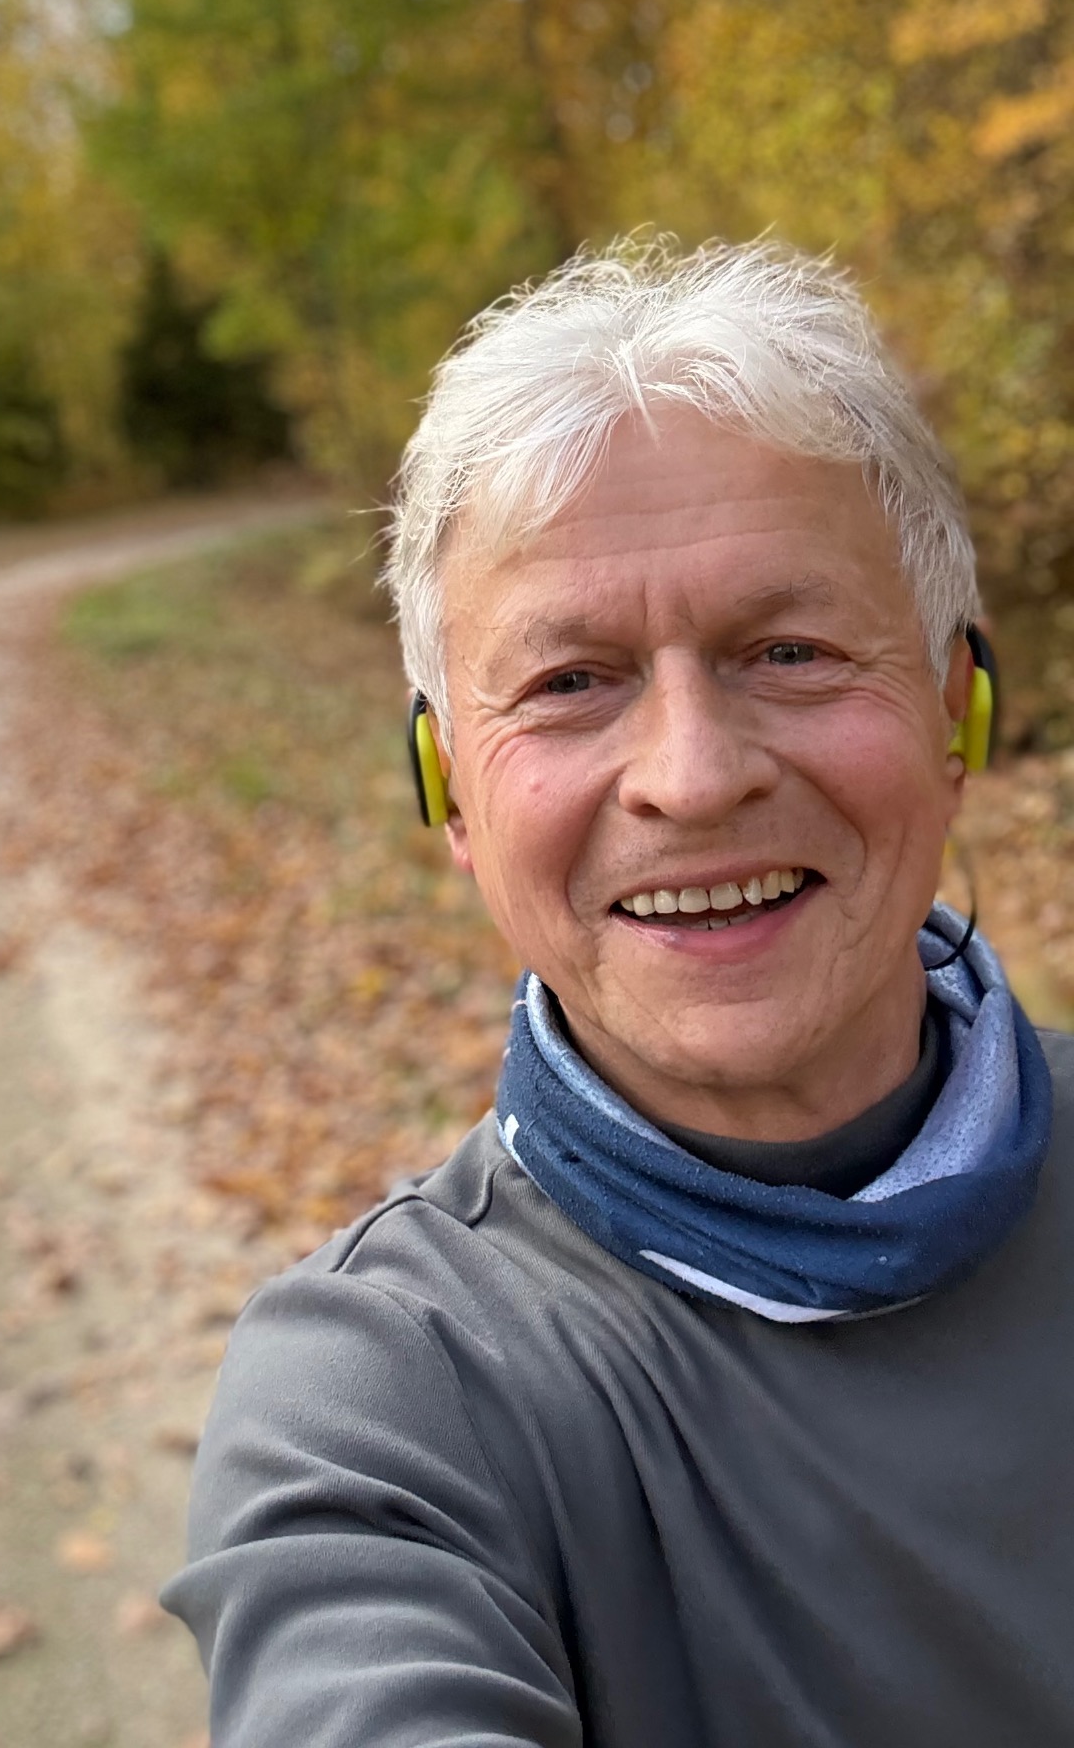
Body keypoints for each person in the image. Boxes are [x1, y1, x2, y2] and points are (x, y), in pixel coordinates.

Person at [162, 238, 1074, 1747]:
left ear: (958, 706)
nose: (695, 777)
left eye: (789, 649)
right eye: (572, 682)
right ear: (447, 792)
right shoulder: (388, 1396)